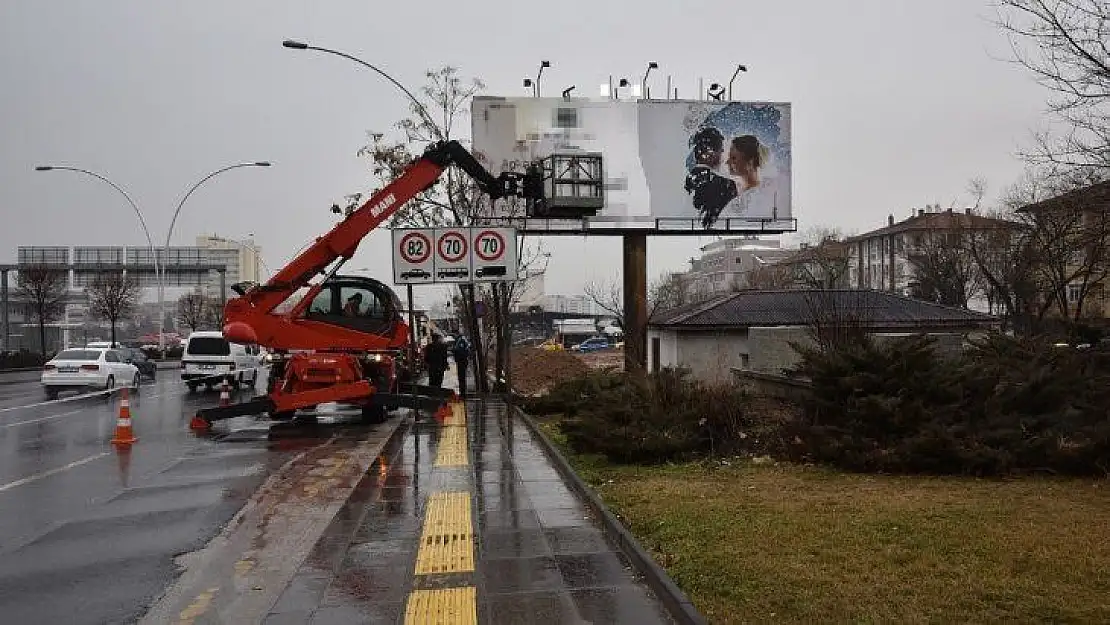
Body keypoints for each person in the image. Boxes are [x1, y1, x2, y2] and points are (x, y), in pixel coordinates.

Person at [683, 126, 738, 228]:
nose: (722, 155)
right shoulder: (727, 186)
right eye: (721, 150)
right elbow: (736, 220)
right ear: (710, 153)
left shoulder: (684, 183)